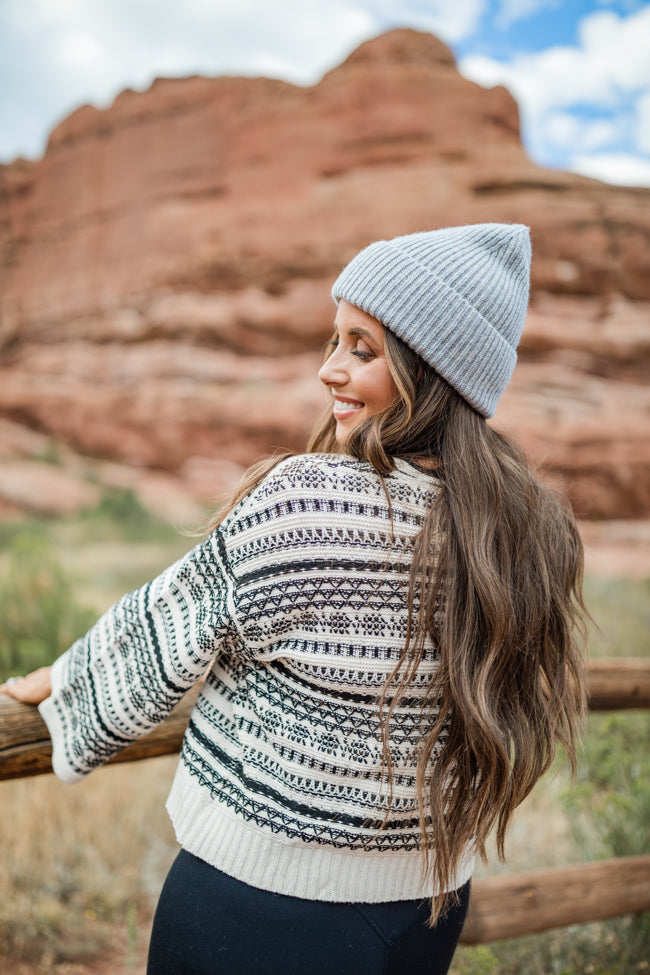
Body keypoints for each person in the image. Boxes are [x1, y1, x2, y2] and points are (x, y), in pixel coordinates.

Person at [0, 223, 587, 975]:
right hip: (427, 910)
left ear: (431, 369)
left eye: (361, 348)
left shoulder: (305, 501)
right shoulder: (522, 529)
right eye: (333, 342)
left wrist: (66, 678)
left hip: (257, 912)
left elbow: (163, 631)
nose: (328, 371)